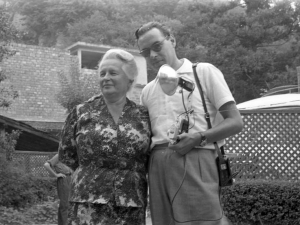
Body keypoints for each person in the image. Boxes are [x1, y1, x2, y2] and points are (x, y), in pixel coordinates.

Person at [135, 21, 244, 225]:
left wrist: (199, 137)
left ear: (172, 40)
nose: (153, 55)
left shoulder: (203, 72)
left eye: (157, 46)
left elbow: (235, 122)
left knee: (205, 221)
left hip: (198, 157)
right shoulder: (148, 91)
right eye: (145, 52)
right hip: (157, 164)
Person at [58, 49, 151, 225]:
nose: (106, 77)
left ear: (129, 79)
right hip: (88, 202)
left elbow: (150, 156)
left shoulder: (144, 115)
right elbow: (67, 155)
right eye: (102, 73)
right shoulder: (81, 113)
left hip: (131, 203)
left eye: (113, 73)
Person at [44, 153, 73, 225]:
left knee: (70, 204)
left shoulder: (71, 154)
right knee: (64, 205)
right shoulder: (59, 155)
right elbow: (46, 165)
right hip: (63, 179)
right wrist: (56, 175)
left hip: (72, 178)